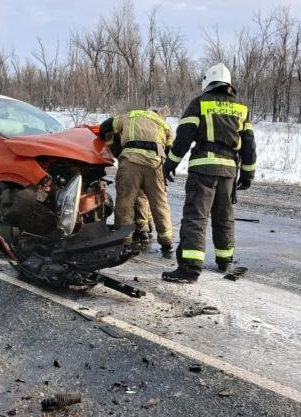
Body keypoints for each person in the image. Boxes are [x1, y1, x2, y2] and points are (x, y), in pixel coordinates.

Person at [161, 63, 256, 283]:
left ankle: (190, 269)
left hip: (203, 169)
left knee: (196, 216)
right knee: (224, 216)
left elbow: (184, 138)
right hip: (229, 171)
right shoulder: (241, 107)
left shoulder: (199, 103)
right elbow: (249, 144)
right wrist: (248, 174)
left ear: (208, 81)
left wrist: (169, 165)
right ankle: (225, 260)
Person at [98, 107, 174, 253]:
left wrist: (109, 144)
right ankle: (167, 242)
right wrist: (165, 169)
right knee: (159, 203)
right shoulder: (164, 125)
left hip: (130, 162)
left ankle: (124, 240)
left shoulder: (129, 115)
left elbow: (105, 127)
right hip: (155, 164)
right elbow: (171, 151)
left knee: (125, 201)